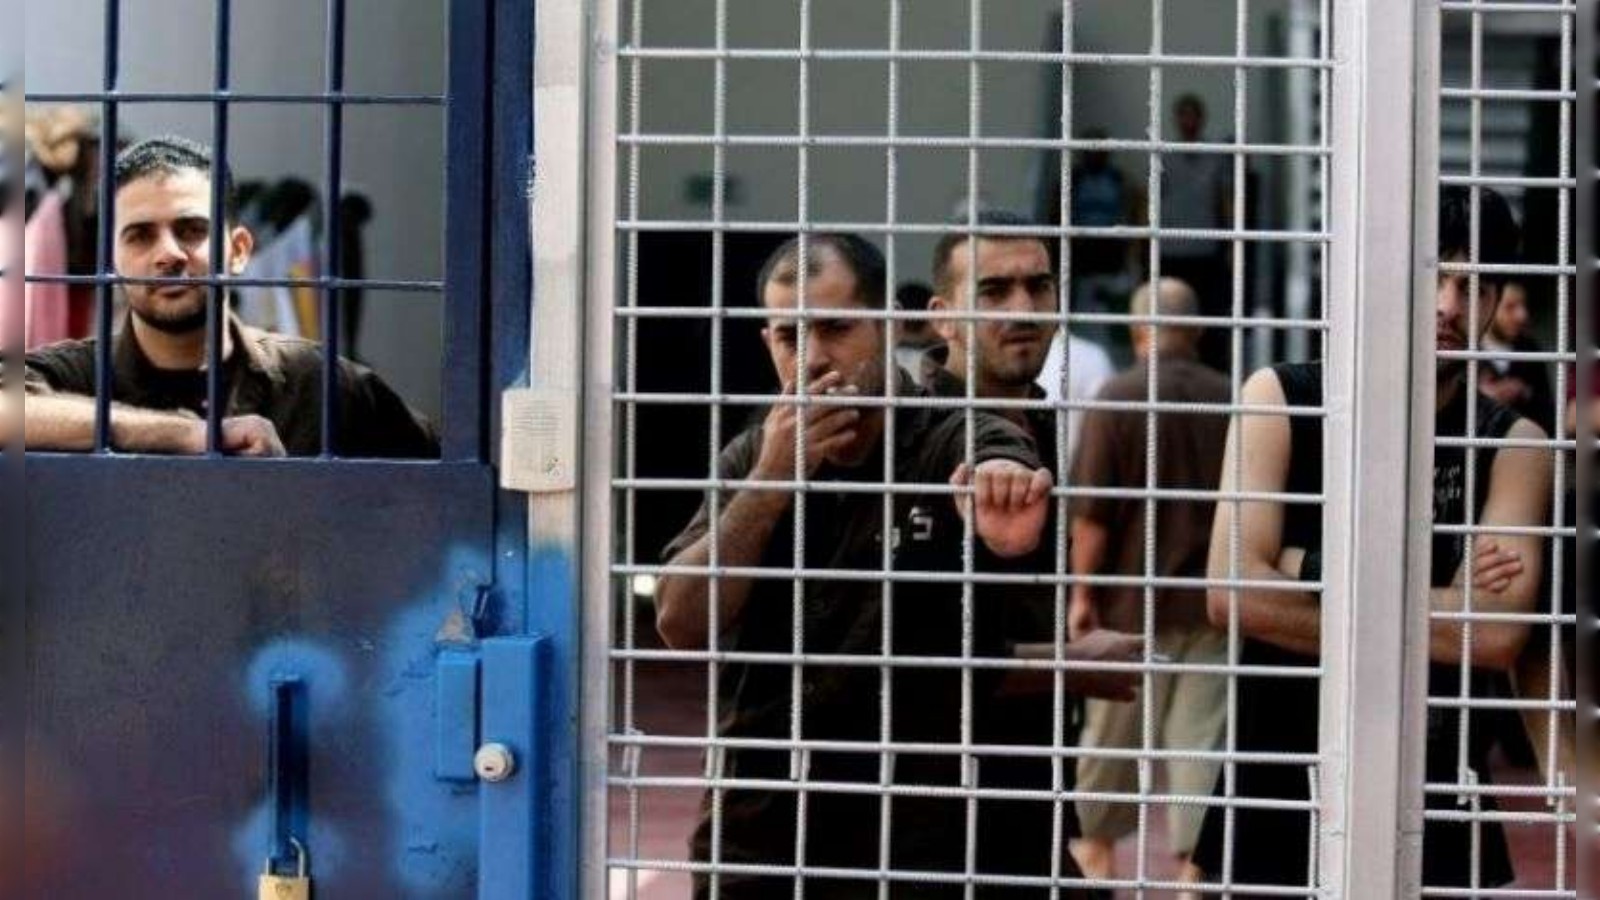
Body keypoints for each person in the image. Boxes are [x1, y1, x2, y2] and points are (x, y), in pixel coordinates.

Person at [655, 232, 1069, 899]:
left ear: (885, 328)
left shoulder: (944, 432)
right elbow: (679, 621)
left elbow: (992, 449)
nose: (814, 356)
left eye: (836, 328)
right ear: (768, 343)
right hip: (763, 832)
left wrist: (1001, 484)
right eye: (791, 337)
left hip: (915, 839)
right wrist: (770, 482)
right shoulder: (751, 455)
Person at [1191, 187, 1553, 895]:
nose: (1449, 305)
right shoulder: (1284, 399)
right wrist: (1445, 598)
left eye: (1472, 285)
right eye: (1432, 278)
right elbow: (1233, 593)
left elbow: (1497, 635)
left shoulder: (1514, 443)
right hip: (1276, 779)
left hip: (1437, 784)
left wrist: (1300, 564)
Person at [924, 210, 1146, 898]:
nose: (1022, 309)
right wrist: (1073, 666)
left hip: (1027, 782)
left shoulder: (1038, 416)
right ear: (944, 317)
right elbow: (915, 651)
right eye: (993, 292)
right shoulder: (919, 436)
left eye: (1037, 286)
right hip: (936, 801)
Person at [1, 136, 436, 459]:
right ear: (109, 261)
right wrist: (185, 435)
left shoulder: (319, 386)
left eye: (191, 230)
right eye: (140, 236)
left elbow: (451, 482)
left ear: (240, 249)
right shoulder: (75, 376)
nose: (168, 254)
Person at [1065, 278, 1230, 896]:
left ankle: (1097, 856)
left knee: (1109, 741)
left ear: (1139, 332)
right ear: (1199, 331)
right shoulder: (1228, 398)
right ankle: (1193, 871)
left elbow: (1093, 517)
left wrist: (1081, 597)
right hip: (1211, 604)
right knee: (1201, 743)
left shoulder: (1119, 397)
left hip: (1127, 606)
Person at [1157, 94, 1233, 373]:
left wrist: (1231, 242)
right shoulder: (1164, 153)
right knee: (1170, 312)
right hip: (1170, 249)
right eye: (1183, 114)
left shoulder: (1215, 156)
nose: (1188, 121)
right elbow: (1150, 199)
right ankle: (1169, 365)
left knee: (1207, 315)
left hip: (1205, 249)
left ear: (1202, 119)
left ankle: (1208, 369)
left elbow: (1224, 198)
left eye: (1193, 114)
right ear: (1176, 119)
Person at [1477, 280, 1557, 436]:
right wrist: (1481, 396)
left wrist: (1524, 392)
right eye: (1510, 307)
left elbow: (1551, 416)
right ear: (1489, 307)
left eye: (1523, 305)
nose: (1522, 315)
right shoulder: (1468, 350)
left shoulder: (1529, 348)